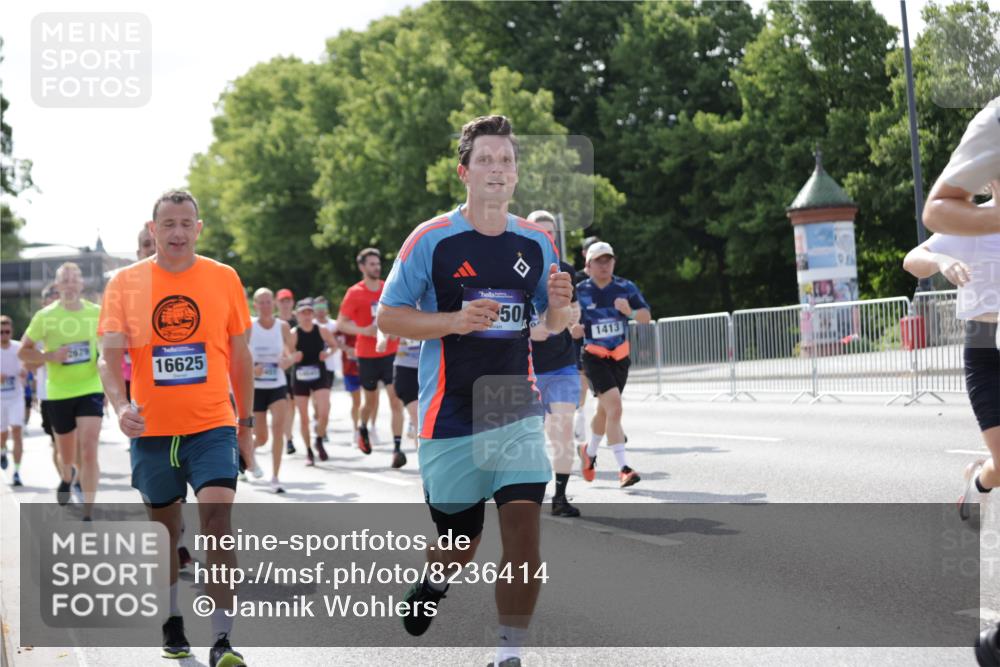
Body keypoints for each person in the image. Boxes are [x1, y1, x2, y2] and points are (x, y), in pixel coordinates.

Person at [378, 115, 572, 667]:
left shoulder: (536, 241)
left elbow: (551, 323)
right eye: (485, 159)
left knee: (524, 533)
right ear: (464, 172)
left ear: (516, 174)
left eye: (506, 160)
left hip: (513, 405)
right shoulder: (431, 240)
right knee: (460, 543)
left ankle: (509, 655)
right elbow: (388, 317)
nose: (497, 168)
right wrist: (453, 321)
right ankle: (434, 583)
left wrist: (561, 305)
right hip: (449, 414)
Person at [97, 190, 252, 667]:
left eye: (187, 223)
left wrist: (245, 423)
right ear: (153, 229)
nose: (178, 232)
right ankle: (171, 618)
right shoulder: (125, 283)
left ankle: (223, 638)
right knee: (165, 532)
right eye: (168, 224)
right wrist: (120, 406)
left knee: (218, 524)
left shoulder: (223, 278)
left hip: (213, 425)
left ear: (199, 229)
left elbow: (240, 356)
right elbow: (108, 358)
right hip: (153, 431)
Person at [903, 183, 999, 525]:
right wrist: (940, 260)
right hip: (985, 348)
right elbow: (912, 261)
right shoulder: (970, 222)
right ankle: (979, 482)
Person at [19, 262, 104, 518]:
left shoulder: (96, 313)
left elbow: (108, 346)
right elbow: (23, 351)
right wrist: (50, 356)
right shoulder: (45, 317)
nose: (70, 284)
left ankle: (89, 510)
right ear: (57, 285)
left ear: (82, 284)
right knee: (66, 456)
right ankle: (67, 475)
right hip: (59, 392)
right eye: (64, 280)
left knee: (89, 449)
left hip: (90, 387)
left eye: (74, 279)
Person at [576, 241, 652, 488]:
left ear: (614, 262)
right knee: (615, 408)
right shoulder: (580, 290)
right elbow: (566, 318)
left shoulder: (625, 287)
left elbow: (645, 317)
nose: (604, 265)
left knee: (605, 411)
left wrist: (630, 312)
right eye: (599, 261)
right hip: (594, 357)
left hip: (620, 357)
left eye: (608, 260)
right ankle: (624, 468)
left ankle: (589, 452)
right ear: (588, 265)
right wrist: (572, 327)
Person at [525, 211, 582, 517]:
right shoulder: (515, 270)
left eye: (551, 232)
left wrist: (570, 319)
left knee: (563, 428)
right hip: (524, 367)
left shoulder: (565, 270)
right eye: (540, 231)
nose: (546, 237)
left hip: (561, 364)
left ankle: (559, 497)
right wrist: (531, 329)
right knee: (530, 437)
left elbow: (575, 309)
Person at [337, 248, 405, 460]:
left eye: (378, 263)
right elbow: (341, 323)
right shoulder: (354, 293)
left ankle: (397, 448)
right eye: (372, 264)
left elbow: (402, 313)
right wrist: (363, 330)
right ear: (362, 267)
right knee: (370, 402)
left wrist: (397, 330)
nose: (376, 267)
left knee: (395, 400)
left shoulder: (388, 288)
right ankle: (363, 427)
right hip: (367, 355)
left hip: (391, 353)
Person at [250, 288, 295, 492]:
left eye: (269, 302)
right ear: (255, 305)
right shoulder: (248, 327)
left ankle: (275, 476)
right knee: (262, 437)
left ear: (274, 304)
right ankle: (247, 451)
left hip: (277, 384)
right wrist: (253, 369)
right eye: (262, 302)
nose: (266, 306)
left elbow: (291, 353)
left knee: (278, 429)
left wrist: (287, 361)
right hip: (256, 388)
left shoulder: (283, 326)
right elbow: (238, 355)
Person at [290, 298, 339, 465]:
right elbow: (286, 353)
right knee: (304, 418)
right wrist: (294, 356)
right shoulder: (294, 333)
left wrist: (328, 353)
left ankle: (319, 439)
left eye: (309, 313)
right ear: (297, 315)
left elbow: (334, 345)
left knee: (324, 412)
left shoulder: (322, 330)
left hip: (319, 373)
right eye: (303, 313)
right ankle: (309, 451)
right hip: (300, 376)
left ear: (313, 314)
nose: (306, 316)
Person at [1, 316, 27, 486]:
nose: (4, 335)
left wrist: (25, 371)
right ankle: (2, 450)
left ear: (11, 331)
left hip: (16, 396)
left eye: (7, 331)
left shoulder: (18, 347)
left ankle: (17, 472)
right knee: (2, 434)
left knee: (17, 431)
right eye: (1, 332)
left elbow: (28, 364)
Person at [313, 296, 341, 442]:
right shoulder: (311, 324)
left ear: (327, 309)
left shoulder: (334, 325)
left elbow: (339, 343)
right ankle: (317, 422)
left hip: (329, 367)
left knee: (325, 400)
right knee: (316, 400)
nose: (320, 311)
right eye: (317, 308)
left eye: (323, 307)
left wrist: (329, 352)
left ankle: (322, 428)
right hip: (313, 367)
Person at [391, 337, 421, 466]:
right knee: (417, 415)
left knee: (423, 417)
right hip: (405, 368)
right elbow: (384, 329)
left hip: (431, 366)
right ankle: (423, 465)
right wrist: (382, 339)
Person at [276, 288, 298, 455]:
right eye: (282, 301)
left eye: (288, 300)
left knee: (292, 404)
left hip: (296, 367)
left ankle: (288, 436)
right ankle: (287, 438)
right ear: (277, 303)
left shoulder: (298, 320)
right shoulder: (273, 321)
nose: (285, 304)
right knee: (285, 403)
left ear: (292, 302)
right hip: (278, 368)